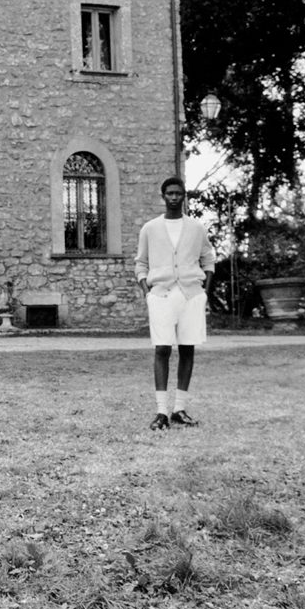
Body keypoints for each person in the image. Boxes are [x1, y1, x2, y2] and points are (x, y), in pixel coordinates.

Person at [135, 176, 214, 430]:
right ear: (163, 196)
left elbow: (208, 260)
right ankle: (161, 412)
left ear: (184, 196)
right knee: (162, 349)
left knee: (187, 349)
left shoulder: (196, 228)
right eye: (169, 193)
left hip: (191, 295)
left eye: (178, 193)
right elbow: (141, 264)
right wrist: (148, 292)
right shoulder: (150, 228)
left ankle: (179, 408)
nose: (173, 197)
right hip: (161, 295)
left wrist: (205, 293)